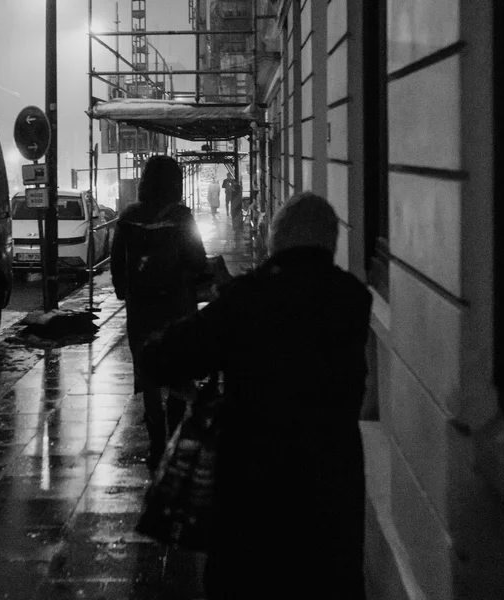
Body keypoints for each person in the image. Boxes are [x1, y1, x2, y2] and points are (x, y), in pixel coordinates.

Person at [143, 191, 372, 599]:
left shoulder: (248, 300)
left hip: (253, 506)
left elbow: (164, 357)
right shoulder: (354, 299)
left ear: (275, 240)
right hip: (332, 502)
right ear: (330, 244)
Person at [110, 154, 208, 473]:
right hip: (177, 308)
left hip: (141, 310)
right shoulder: (181, 217)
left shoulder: (128, 216)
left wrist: (124, 290)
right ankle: (175, 437)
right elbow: (197, 259)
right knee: (179, 372)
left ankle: (156, 443)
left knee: (148, 375)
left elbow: (116, 262)